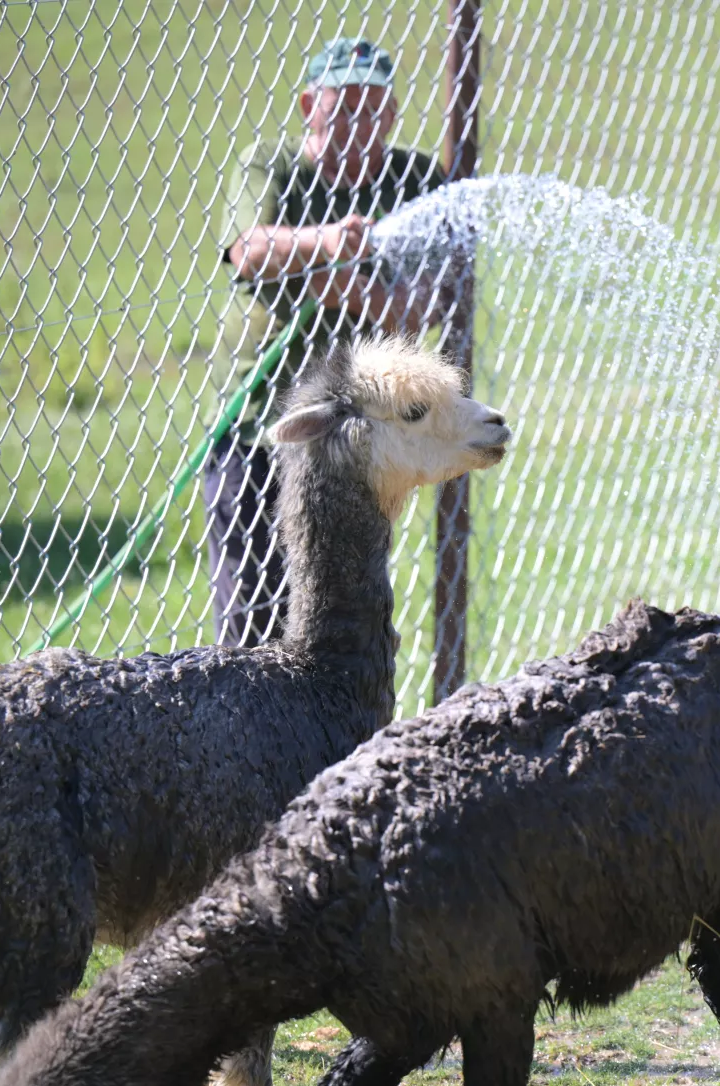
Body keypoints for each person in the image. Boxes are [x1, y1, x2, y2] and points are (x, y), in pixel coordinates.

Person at [209, 37, 449, 646]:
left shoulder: (415, 177)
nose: (359, 127)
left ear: (393, 116)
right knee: (253, 622)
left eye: (373, 112)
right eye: (343, 110)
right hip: (261, 428)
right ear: (308, 105)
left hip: (354, 447)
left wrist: (354, 293)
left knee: (344, 620)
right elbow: (248, 250)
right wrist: (329, 247)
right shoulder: (274, 166)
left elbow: (437, 289)